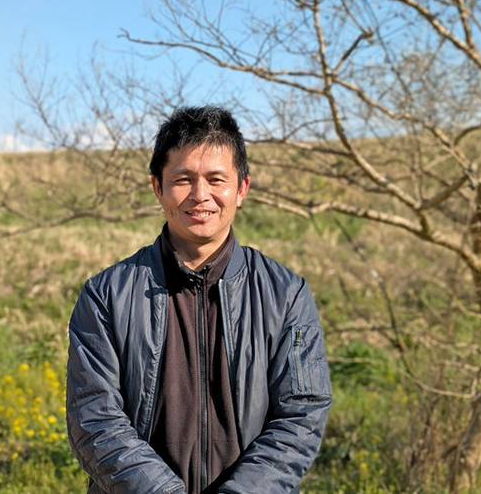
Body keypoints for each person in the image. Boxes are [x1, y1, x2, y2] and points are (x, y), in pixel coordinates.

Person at [66, 106, 332, 493]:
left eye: (216, 179)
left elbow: (301, 415)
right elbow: (95, 419)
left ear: (241, 189)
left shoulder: (285, 294)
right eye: (183, 179)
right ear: (157, 187)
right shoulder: (107, 295)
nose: (200, 195)